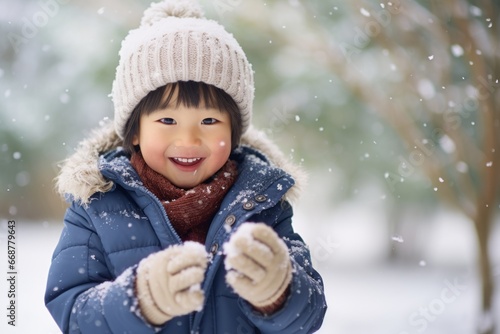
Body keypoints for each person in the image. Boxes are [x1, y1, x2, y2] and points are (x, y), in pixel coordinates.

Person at [45, 0, 327, 333]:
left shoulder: (263, 204)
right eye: (167, 119)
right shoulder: (98, 205)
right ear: (134, 131)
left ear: (234, 133)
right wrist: (139, 299)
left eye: (209, 120)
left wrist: (278, 292)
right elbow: (72, 310)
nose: (189, 139)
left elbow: (309, 315)